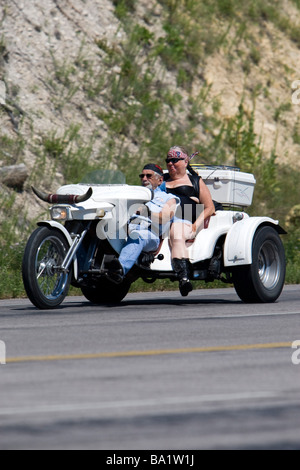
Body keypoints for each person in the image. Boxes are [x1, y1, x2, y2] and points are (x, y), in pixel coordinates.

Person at [106, 164, 177, 284]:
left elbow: (165, 218)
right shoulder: (134, 195)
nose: (144, 179)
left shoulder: (168, 198)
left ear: (160, 180)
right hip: (126, 229)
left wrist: (146, 212)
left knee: (138, 235)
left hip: (151, 235)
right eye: (142, 176)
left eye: (148, 176)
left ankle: (119, 270)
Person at [165, 146, 216, 297]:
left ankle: (184, 278)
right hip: (162, 222)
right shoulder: (162, 181)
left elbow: (209, 208)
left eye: (175, 160)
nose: (171, 164)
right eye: (168, 161)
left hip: (188, 221)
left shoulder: (194, 181)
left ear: (186, 161)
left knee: (176, 230)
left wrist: (195, 225)